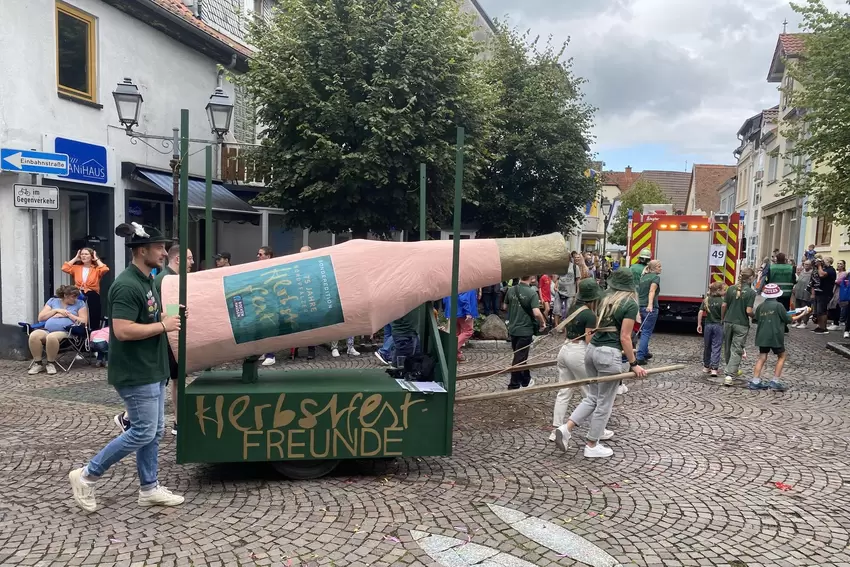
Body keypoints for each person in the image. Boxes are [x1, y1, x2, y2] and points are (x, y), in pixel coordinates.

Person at [69, 223, 184, 512]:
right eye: (159, 247)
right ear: (141, 250)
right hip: (135, 372)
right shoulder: (126, 284)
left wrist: (171, 316)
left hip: (152, 368)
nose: (164, 252)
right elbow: (121, 331)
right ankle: (86, 475)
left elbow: (149, 318)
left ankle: (149, 488)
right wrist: (163, 325)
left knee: (154, 431)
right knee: (143, 431)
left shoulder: (148, 280)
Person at [554, 269, 647, 458]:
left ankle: (566, 428)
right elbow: (625, 337)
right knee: (604, 403)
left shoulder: (604, 297)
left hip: (592, 350)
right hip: (608, 354)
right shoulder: (629, 303)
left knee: (592, 398)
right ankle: (591, 444)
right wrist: (634, 363)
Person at [549, 278, 605, 442]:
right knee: (591, 394)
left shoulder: (573, 308)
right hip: (578, 352)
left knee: (564, 392)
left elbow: (567, 332)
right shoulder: (589, 315)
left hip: (565, 349)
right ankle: (599, 430)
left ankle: (555, 429)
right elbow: (589, 340)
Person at [151, 244, 194, 436]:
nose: (192, 262)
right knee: (163, 381)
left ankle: (178, 421)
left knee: (175, 379)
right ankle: (129, 417)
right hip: (165, 338)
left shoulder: (172, 278)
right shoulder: (165, 280)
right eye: (190, 258)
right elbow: (160, 312)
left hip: (171, 336)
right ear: (178, 260)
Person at [28, 284, 88, 375]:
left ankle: (50, 363)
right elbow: (41, 318)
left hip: (67, 331)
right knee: (34, 335)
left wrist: (69, 315)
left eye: (76, 296)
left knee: (52, 337)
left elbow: (84, 321)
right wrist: (56, 311)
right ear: (65, 296)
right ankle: (38, 363)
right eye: (73, 296)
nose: (75, 299)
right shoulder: (52, 301)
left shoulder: (80, 303)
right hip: (48, 329)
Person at [503, 275, 547, 390]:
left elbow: (504, 306)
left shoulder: (511, 290)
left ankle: (525, 380)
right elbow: (537, 312)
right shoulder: (532, 293)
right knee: (519, 357)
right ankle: (514, 384)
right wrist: (542, 322)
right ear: (532, 278)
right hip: (525, 329)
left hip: (513, 328)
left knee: (521, 356)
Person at [750, 283, 792, 391]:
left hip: (762, 336)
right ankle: (775, 381)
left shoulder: (761, 306)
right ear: (777, 295)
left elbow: (755, 319)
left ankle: (755, 381)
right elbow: (788, 319)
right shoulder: (779, 306)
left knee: (762, 357)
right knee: (781, 356)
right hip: (775, 336)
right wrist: (801, 314)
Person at [721, 267, 756, 386]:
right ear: (751, 278)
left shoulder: (730, 289)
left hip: (728, 321)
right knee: (737, 349)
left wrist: (723, 318)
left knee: (727, 347)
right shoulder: (751, 293)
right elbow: (748, 310)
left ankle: (731, 370)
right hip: (741, 323)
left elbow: (724, 305)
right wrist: (754, 316)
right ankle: (730, 375)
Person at [62, 248, 109, 330]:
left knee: (93, 316)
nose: (83, 256)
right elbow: (65, 268)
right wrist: (76, 258)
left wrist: (96, 258)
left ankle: (93, 335)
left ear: (91, 256)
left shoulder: (96, 269)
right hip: (78, 294)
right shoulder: (76, 267)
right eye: (82, 254)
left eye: (86, 254)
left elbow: (105, 269)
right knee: (79, 313)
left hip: (92, 294)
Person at [636, 260, 662, 364]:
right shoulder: (655, 278)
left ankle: (645, 352)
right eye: (659, 266)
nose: (661, 268)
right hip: (649, 307)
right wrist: (650, 305)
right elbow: (652, 291)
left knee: (643, 330)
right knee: (646, 332)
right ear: (654, 268)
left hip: (640, 306)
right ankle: (640, 356)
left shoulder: (643, 278)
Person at [443, 289, 479, 363]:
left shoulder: (454, 282)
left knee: (457, 333)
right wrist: (468, 312)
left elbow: (445, 299)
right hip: (462, 312)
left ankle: (458, 356)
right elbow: (464, 298)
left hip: (452, 311)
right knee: (468, 331)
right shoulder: (467, 283)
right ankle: (452, 349)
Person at [697, 281, 724, 377]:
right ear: (718, 290)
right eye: (723, 289)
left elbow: (700, 312)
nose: (724, 291)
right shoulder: (722, 301)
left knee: (707, 346)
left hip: (708, 325)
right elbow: (723, 313)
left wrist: (699, 324)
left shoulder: (706, 300)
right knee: (716, 346)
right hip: (718, 325)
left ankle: (706, 366)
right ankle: (714, 369)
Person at [813, 256, 837, 334]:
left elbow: (821, 275)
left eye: (824, 260)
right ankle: (819, 326)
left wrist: (819, 266)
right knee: (818, 311)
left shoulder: (831, 270)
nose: (822, 261)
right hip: (818, 292)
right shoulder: (824, 268)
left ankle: (823, 328)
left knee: (822, 311)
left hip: (825, 293)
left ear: (829, 262)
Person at [792, 260, 813, 328]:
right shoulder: (802, 271)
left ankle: (804, 322)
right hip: (799, 292)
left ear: (810, 265)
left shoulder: (812, 273)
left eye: (808, 264)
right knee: (797, 307)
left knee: (805, 307)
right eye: (805, 264)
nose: (806, 265)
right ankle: (798, 321)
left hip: (806, 293)